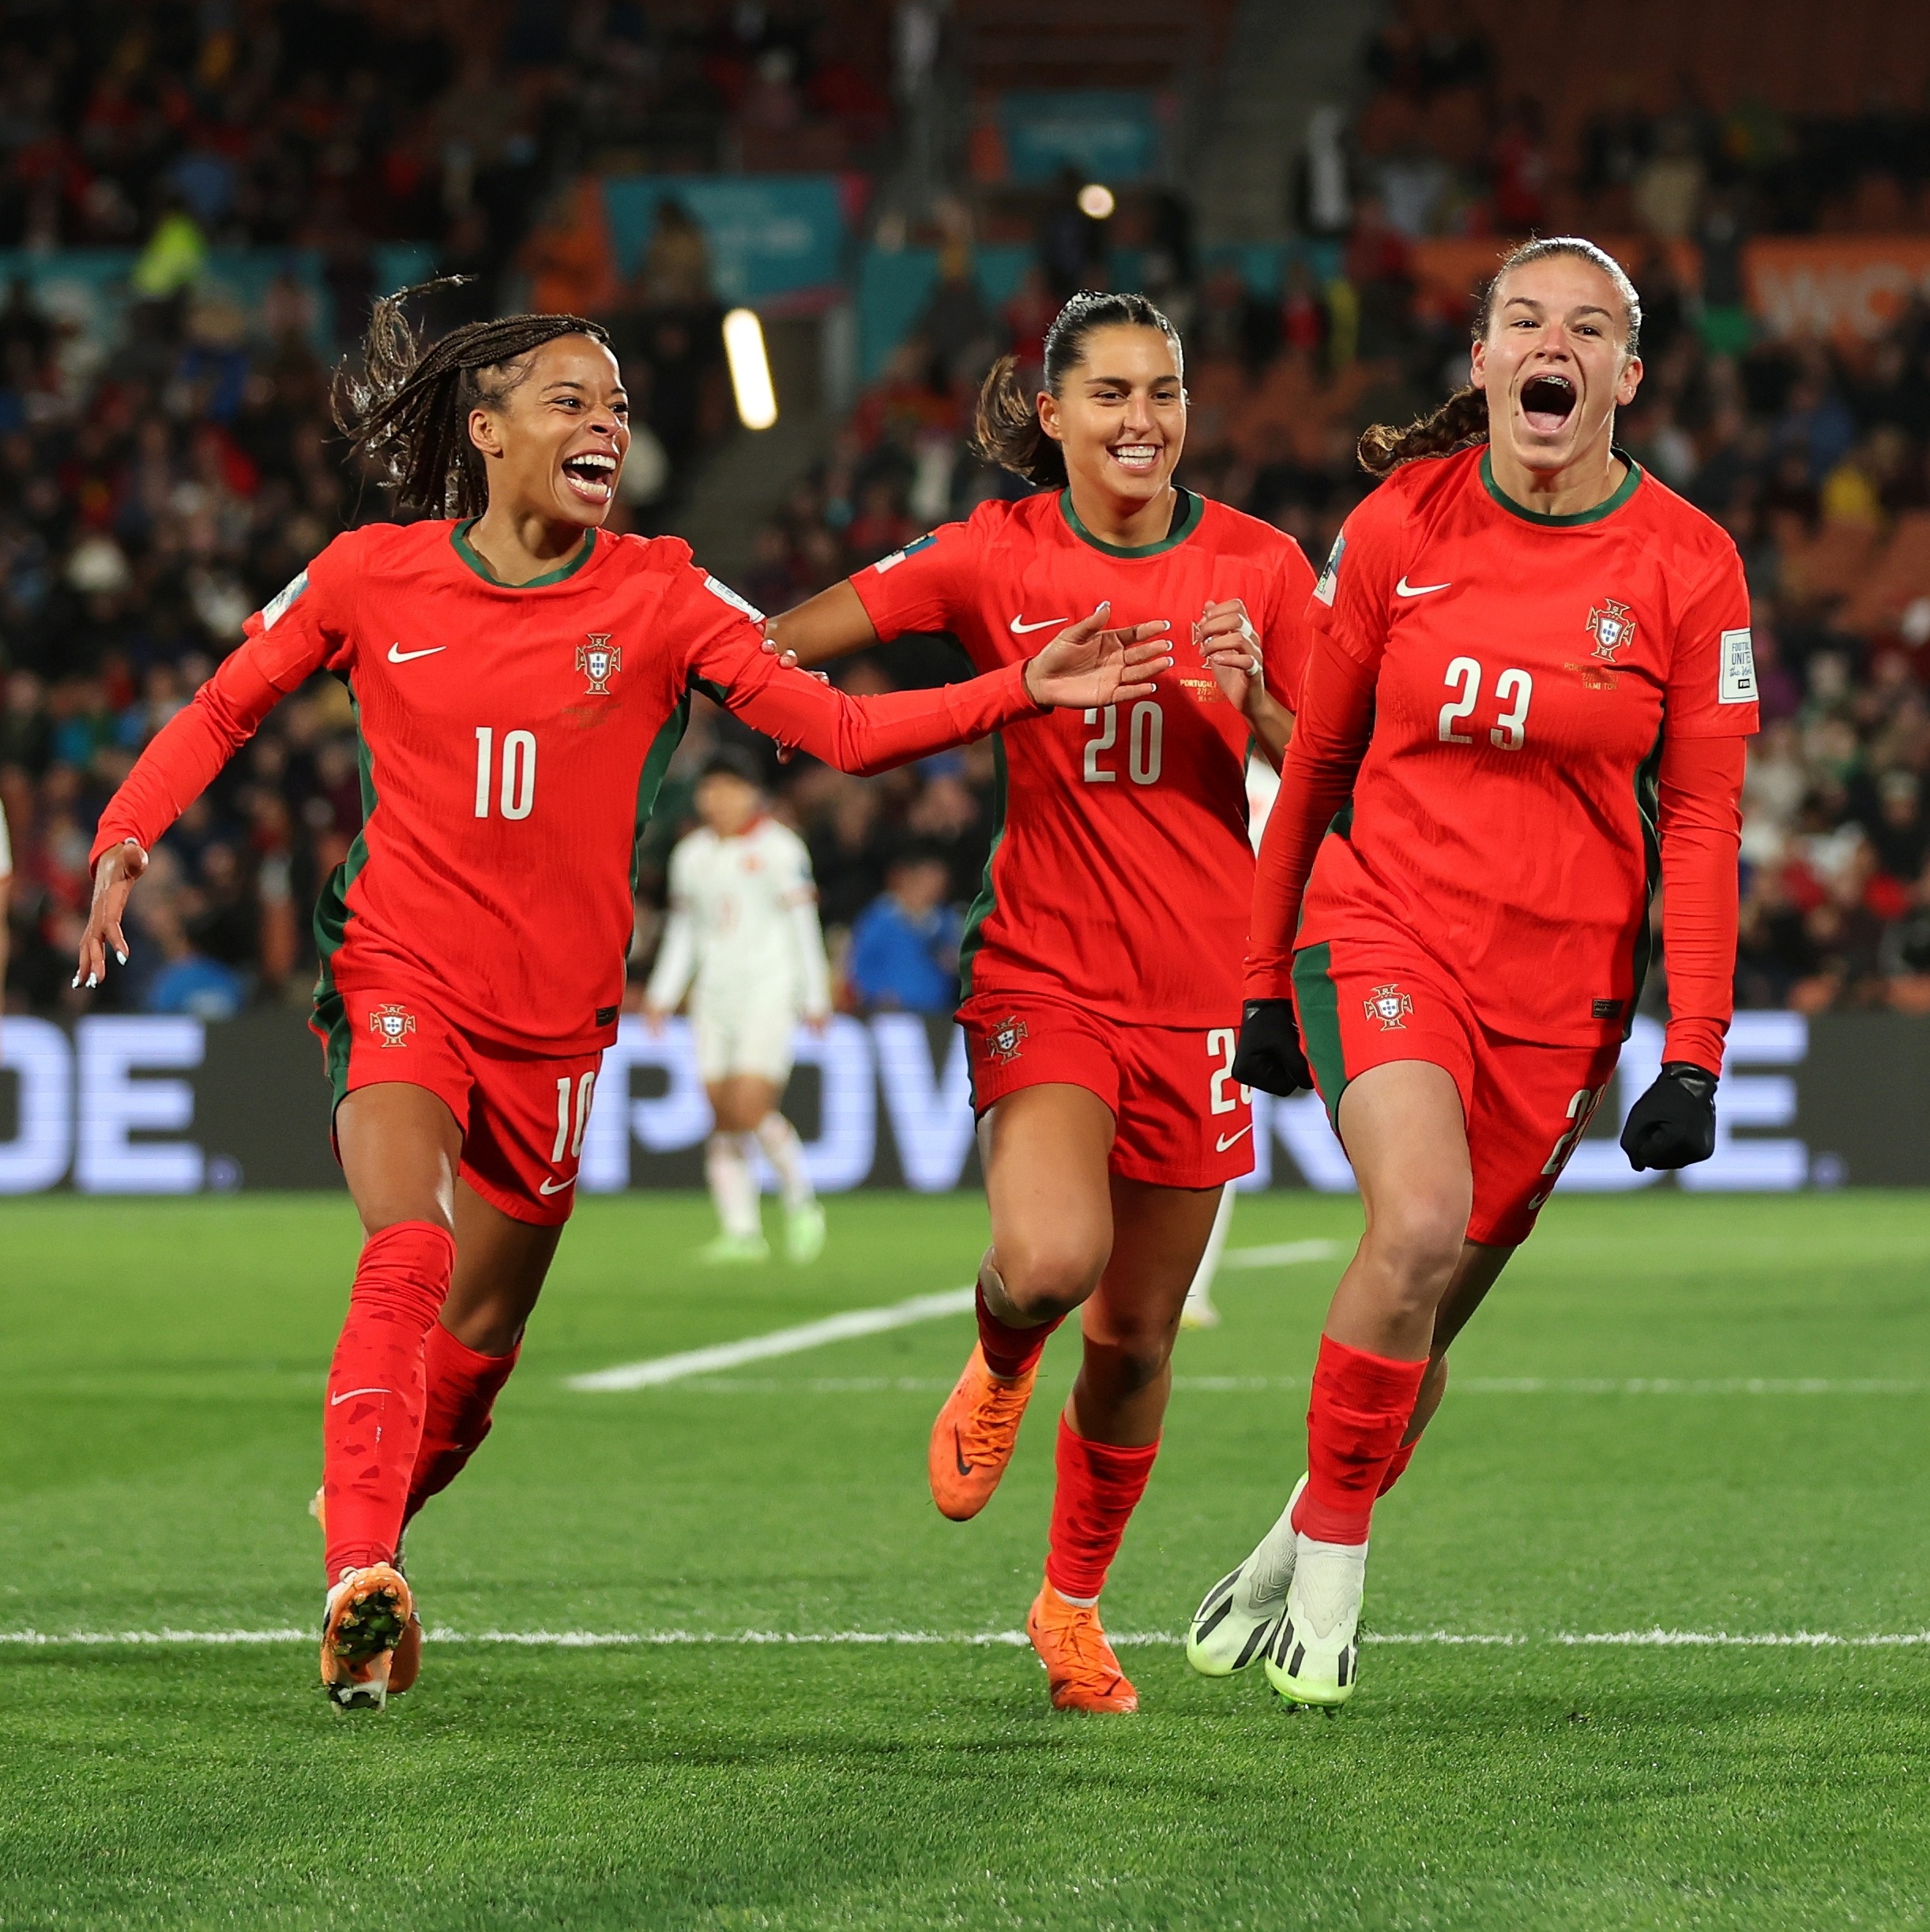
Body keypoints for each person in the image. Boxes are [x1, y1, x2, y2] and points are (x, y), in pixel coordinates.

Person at [73, 288, 1172, 1713]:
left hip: (560, 1027)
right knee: (407, 1246)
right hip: (401, 973)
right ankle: (355, 1569)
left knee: (473, 1360)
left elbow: (837, 730)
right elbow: (224, 705)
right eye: (571, 403)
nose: (606, 428)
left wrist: (1016, 687)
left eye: (619, 411)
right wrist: (125, 829)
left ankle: (380, 1540)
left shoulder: (661, 594)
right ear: (485, 433)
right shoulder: (366, 575)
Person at [1186, 237, 1757, 1708]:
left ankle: (1288, 1536)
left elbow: (1698, 821)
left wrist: (1692, 1049)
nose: (1546, 345)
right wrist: (1261, 975)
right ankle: (1334, 1580)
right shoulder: (1398, 525)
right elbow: (1314, 753)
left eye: (1583, 329)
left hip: (1560, 987)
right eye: (1520, 319)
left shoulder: (1689, 565)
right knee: (1417, 1219)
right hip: (1380, 924)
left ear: (1623, 376)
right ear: (1484, 360)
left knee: (1420, 1315)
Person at [767, 290, 1315, 1713]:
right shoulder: (988, 554)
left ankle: (1070, 1607)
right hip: (1045, 970)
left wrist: (1261, 707)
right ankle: (1003, 1350)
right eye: (1112, 395)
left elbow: (1345, 776)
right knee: (1052, 1259)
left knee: (1135, 1343)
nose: (1143, 420)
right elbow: (776, 649)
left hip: (1199, 990)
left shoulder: (1258, 567)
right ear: (1051, 416)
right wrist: (1007, 687)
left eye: (1165, 391)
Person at [645, 748, 832, 1266]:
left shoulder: (779, 847)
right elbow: (685, 931)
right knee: (722, 1113)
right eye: (711, 789)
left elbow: (801, 926)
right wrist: (662, 993)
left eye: (728, 788)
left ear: (752, 792)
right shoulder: (692, 855)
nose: (717, 799)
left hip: (769, 990)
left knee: (750, 1105)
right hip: (713, 996)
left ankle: (801, 1201)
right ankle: (741, 1231)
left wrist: (815, 994)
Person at [846, 847, 961, 1013]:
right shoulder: (881, 917)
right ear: (910, 879)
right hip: (892, 1016)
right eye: (928, 881)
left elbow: (960, 964)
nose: (934, 889)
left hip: (938, 1014)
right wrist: (876, 992)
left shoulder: (944, 920)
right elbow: (858, 962)